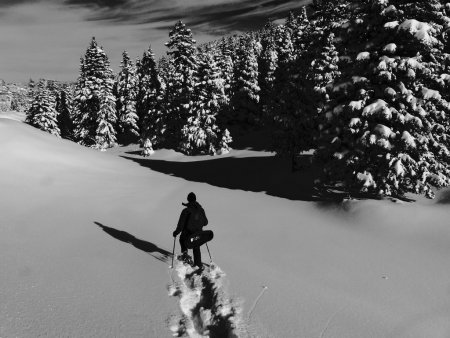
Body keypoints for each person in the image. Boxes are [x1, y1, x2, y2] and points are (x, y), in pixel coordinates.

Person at [173, 192, 208, 269]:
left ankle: (185, 256)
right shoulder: (201, 210)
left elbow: (181, 224)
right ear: (195, 199)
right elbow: (205, 222)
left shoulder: (186, 210)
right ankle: (198, 264)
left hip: (188, 234)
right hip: (198, 234)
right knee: (196, 246)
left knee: (182, 239)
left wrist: (176, 232)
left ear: (188, 199)